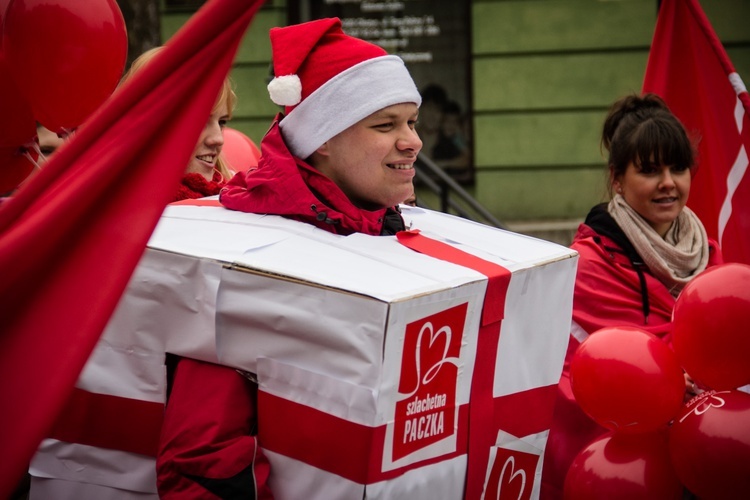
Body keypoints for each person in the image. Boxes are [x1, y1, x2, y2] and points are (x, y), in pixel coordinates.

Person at [156, 17, 422, 498]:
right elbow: (203, 459)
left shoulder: (398, 227)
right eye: (386, 125)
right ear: (321, 137)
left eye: (411, 121)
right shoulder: (247, 254)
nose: (413, 141)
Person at [540, 93, 724, 499]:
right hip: (630, 469)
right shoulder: (585, 267)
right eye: (649, 170)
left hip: (706, 451)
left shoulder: (709, 253)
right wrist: (671, 382)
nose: (668, 183)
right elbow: (580, 376)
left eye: (678, 168)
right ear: (617, 179)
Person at [122, 47, 237, 202]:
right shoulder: (117, 211)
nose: (218, 139)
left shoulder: (233, 193)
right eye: (199, 121)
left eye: (221, 122)